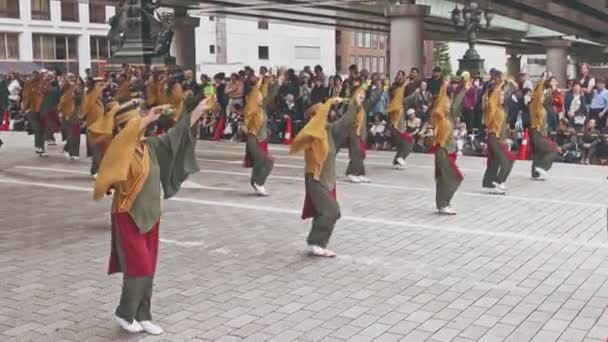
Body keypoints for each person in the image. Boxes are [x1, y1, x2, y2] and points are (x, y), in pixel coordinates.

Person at [92, 91, 209, 336]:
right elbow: (124, 140)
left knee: (149, 269)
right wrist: (146, 118)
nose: (143, 126)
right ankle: (124, 312)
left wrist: (198, 111)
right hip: (128, 215)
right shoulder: (117, 149)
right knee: (139, 267)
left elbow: (175, 135)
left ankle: (143, 314)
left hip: (151, 215)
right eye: (137, 122)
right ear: (126, 127)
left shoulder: (150, 147)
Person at [289, 96, 358, 257]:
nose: (326, 115)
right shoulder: (311, 132)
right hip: (316, 178)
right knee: (331, 210)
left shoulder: (329, 130)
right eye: (322, 113)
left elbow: (346, 121)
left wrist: (355, 102)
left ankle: (315, 241)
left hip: (328, 179)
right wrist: (328, 103)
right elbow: (318, 122)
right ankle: (316, 242)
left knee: (329, 211)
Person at [431, 78, 463, 215]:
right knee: (455, 177)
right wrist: (444, 86)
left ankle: (442, 204)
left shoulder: (447, 117)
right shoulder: (438, 116)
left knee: (443, 178)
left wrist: (463, 88)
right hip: (442, 150)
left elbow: (456, 104)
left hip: (447, 150)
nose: (449, 104)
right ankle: (444, 203)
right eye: (446, 102)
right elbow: (440, 102)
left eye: (449, 101)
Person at [482, 77, 515, 194]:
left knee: (498, 160)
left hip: (497, 138)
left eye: (502, 96)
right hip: (493, 137)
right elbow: (492, 100)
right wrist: (500, 85)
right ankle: (498, 181)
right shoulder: (492, 107)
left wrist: (507, 85)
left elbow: (507, 93)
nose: (502, 97)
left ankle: (492, 181)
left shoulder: (500, 107)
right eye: (500, 96)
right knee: (507, 160)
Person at [243, 80, 276, 196]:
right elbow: (246, 123)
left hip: (262, 139)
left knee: (261, 161)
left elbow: (270, 94)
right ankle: (259, 182)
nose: (262, 95)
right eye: (259, 94)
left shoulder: (261, 108)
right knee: (267, 161)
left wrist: (275, 82)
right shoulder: (252, 109)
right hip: (254, 139)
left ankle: (254, 182)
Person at [529, 73, 559, 180]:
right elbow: (539, 93)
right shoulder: (535, 105)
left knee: (539, 152)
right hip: (537, 133)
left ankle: (535, 173)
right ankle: (542, 167)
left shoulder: (541, 106)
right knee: (553, 150)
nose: (543, 97)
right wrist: (543, 79)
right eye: (542, 95)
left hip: (538, 133)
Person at [387, 71, 413, 169]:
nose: (398, 77)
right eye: (397, 76)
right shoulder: (395, 89)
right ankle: (400, 158)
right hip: (394, 122)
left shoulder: (404, 89)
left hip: (400, 119)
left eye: (400, 76)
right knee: (406, 142)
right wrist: (405, 86)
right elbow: (399, 96)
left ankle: (397, 160)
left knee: (404, 142)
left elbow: (404, 99)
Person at [345, 85, 370, 183]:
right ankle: (351, 172)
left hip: (362, 133)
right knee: (355, 153)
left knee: (361, 154)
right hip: (354, 132)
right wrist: (364, 85)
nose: (362, 95)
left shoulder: (362, 106)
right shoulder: (352, 104)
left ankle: (360, 173)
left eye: (363, 93)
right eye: (360, 93)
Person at [58, 74, 83, 160]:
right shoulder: (66, 94)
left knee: (74, 135)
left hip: (75, 116)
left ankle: (73, 152)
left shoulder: (77, 90)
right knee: (70, 135)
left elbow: (81, 100)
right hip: (68, 116)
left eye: (73, 78)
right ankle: (70, 150)